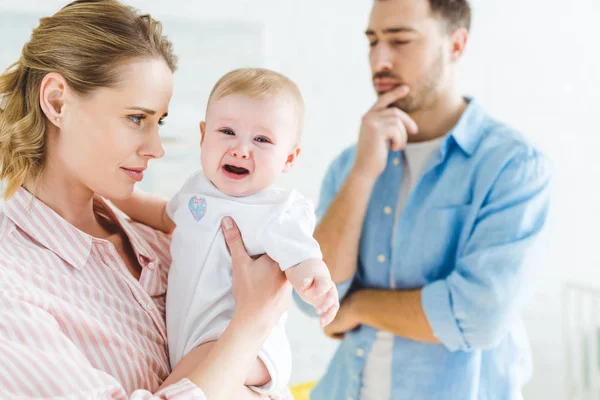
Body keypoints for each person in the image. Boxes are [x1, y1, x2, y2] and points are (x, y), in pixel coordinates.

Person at [0, 1, 292, 399]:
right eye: (136, 118)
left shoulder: (165, 243)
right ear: (56, 102)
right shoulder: (11, 283)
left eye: (160, 122)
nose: (156, 148)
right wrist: (252, 322)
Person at [294, 0, 552, 399]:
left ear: (456, 45)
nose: (380, 58)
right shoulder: (350, 164)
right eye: (373, 41)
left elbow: (478, 317)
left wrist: (358, 306)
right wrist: (363, 174)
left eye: (400, 40)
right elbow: (313, 301)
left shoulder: (514, 166)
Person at [111, 67, 339, 397]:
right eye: (227, 131)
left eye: (262, 139)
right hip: (196, 339)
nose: (240, 149)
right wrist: (115, 195)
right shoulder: (196, 190)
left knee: (181, 385)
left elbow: (303, 255)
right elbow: (164, 215)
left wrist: (315, 281)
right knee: (191, 372)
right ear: (203, 135)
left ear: (289, 158)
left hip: (244, 347)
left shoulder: (278, 210)